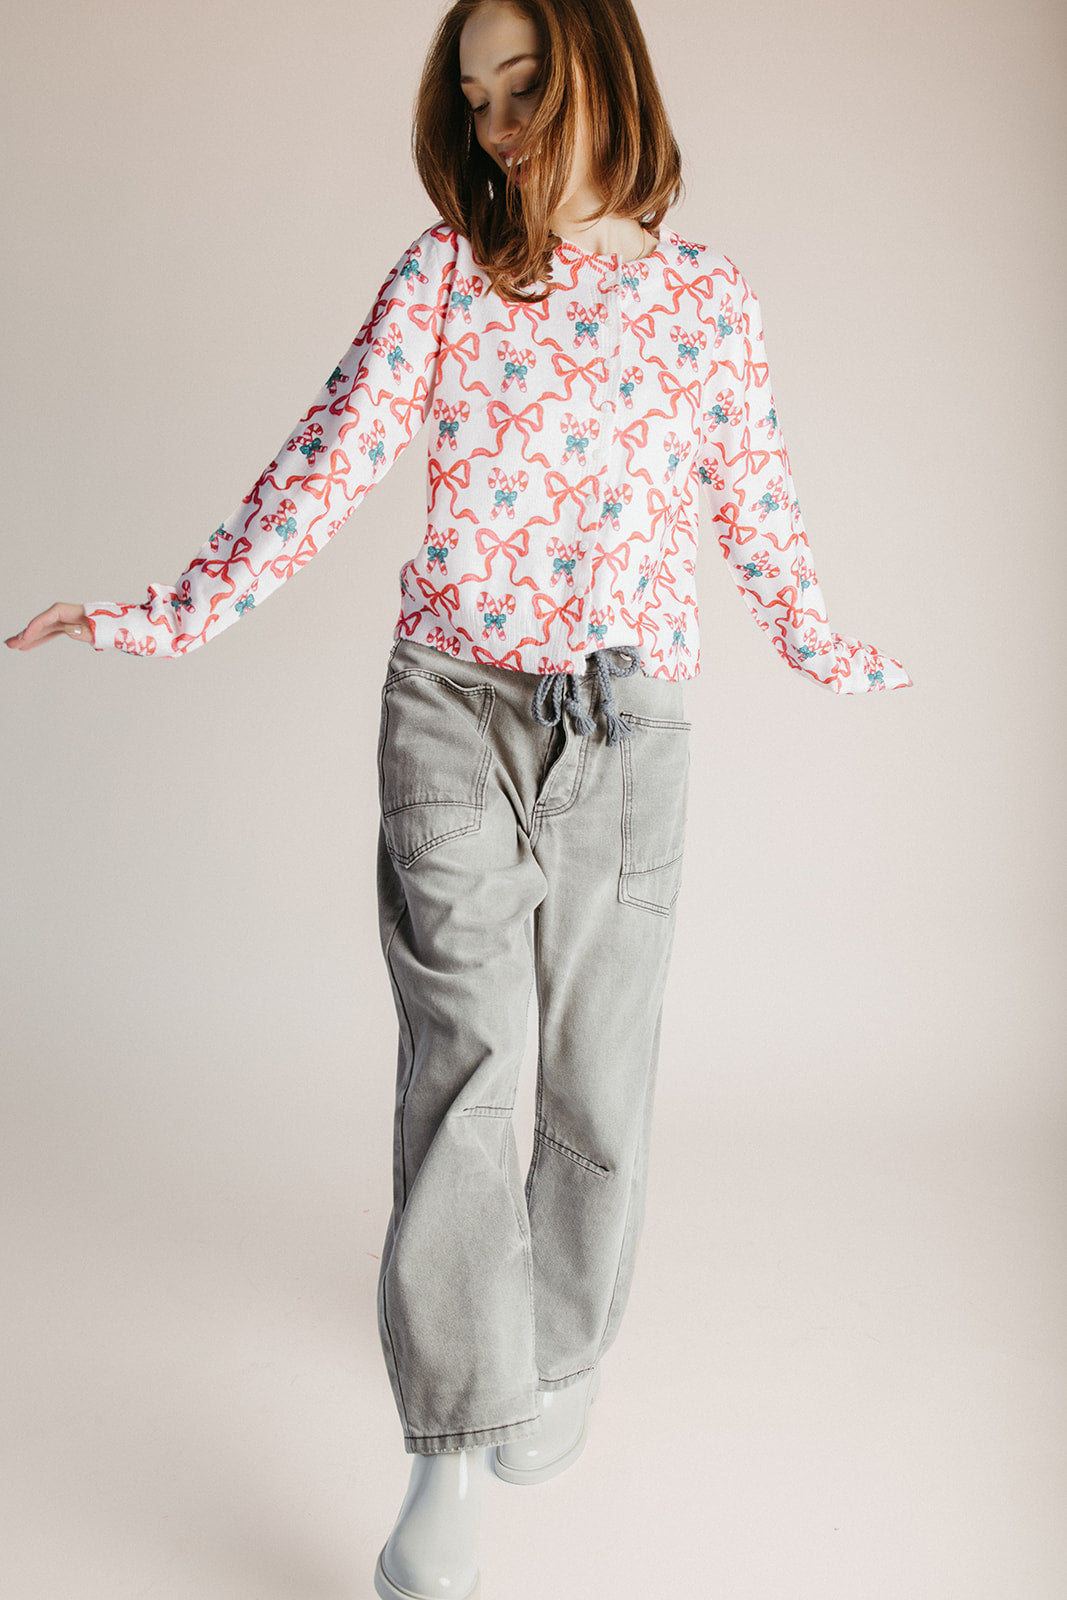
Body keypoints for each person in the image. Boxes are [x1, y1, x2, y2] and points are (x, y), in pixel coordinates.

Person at [5, 1, 913, 1594]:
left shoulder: (708, 303)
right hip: (453, 708)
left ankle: (557, 1351)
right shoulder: (443, 277)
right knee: (470, 1063)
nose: (499, 128)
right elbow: (324, 465)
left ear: (604, 72)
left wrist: (831, 649)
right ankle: (446, 1455)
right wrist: (160, 614)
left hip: (630, 726)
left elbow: (758, 506)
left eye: (525, 87)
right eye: (476, 101)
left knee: (596, 1081)